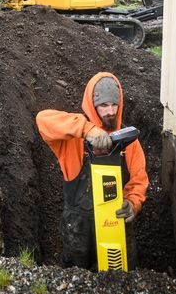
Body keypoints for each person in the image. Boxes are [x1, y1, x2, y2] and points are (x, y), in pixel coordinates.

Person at [36, 72, 148, 270]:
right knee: (76, 279)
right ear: (92, 105)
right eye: (104, 105)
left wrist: (132, 203)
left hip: (116, 222)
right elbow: (42, 120)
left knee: (121, 277)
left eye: (115, 104)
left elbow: (139, 180)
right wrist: (87, 130)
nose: (111, 111)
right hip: (79, 227)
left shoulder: (129, 143)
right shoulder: (72, 140)